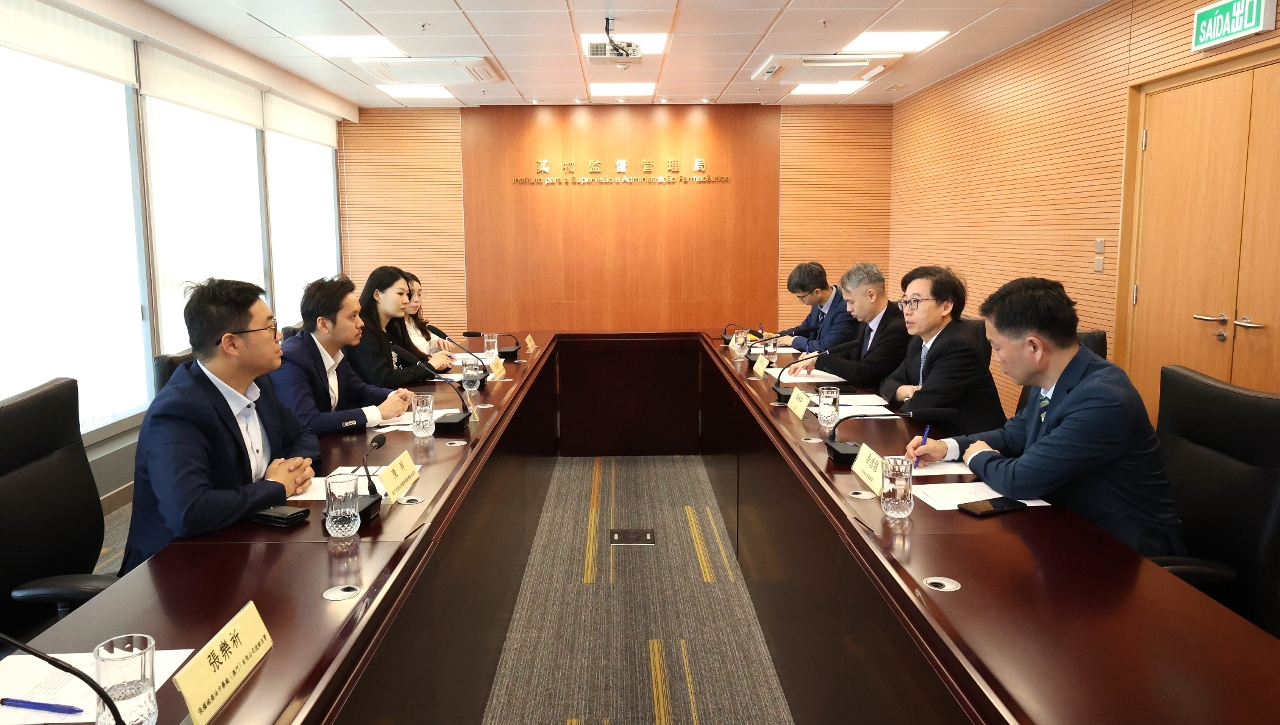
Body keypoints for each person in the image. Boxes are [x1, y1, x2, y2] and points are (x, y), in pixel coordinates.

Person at [907, 278, 1186, 557]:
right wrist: (947, 447)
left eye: (997, 347)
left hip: (1126, 554)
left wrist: (979, 456)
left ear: (1034, 347)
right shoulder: (1055, 376)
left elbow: (1020, 479)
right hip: (1065, 528)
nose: (996, 358)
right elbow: (1011, 435)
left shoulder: (1103, 399)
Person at [122, 279, 320, 574]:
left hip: (245, 543)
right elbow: (188, 512)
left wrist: (293, 469)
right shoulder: (178, 412)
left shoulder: (257, 384)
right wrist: (276, 487)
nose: (279, 335)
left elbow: (302, 433)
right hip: (177, 571)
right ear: (231, 344)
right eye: (268, 327)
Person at [270, 276, 415, 436]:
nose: (361, 323)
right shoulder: (292, 360)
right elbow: (308, 421)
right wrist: (378, 412)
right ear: (323, 324)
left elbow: (359, 390)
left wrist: (394, 396)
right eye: (353, 316)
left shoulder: (337, 350)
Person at [878, 266, 1005, 435]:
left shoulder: (960, 347)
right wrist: (906, 391)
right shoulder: (918, 341)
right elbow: (887, 383)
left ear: (946, 307)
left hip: (972, 442)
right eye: (905, 302)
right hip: (931, 435)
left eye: (915, 302)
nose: (906, 311)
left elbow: (919, 407)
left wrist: (908, 397)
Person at [787, 262, 909, 388]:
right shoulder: (865, 320)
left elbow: (866, 371)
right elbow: (849, 354)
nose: (848, 309)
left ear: (871, 296)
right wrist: (817, 356)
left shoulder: (897, 327)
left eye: (851, 302)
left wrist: (820, 360)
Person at [346, 266, 449, 388]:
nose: (406, 300)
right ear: (377, 295)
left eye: (407, 294)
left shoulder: (391, 327)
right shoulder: (363, 330)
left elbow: (408, 364)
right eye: (400, 293)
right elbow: (383, 379)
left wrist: (437, 363)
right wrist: (430, 366)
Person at [776, 262, 858, 353]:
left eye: (801, 297)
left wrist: (794, 341)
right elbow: (804, 329)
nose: (800, 301)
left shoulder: (845, 309)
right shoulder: (817, 304)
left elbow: (824, 347)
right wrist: (776, 337)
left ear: (817, 292)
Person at [401, 270, 460, 363]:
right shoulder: (393, 328)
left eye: (419, 294)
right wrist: (431, 358)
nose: (417, 299)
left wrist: (438, 344)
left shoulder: (414, 323)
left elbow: (427, 345)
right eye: (411, 294)